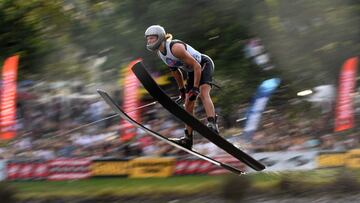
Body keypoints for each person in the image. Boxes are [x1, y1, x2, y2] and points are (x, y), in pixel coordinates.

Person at [144, 25, 219, 150]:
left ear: (160, 37)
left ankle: (212, 123)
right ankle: (187, 139)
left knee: (203, 92)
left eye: (152, 38)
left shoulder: (175, 48)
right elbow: (176, 72)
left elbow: (197, 66)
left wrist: (195, 88)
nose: (149, 41)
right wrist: (182, 91)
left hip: (203, 65)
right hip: (192, 71)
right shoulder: (161, 54)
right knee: (188, 104)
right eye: (148, 39)